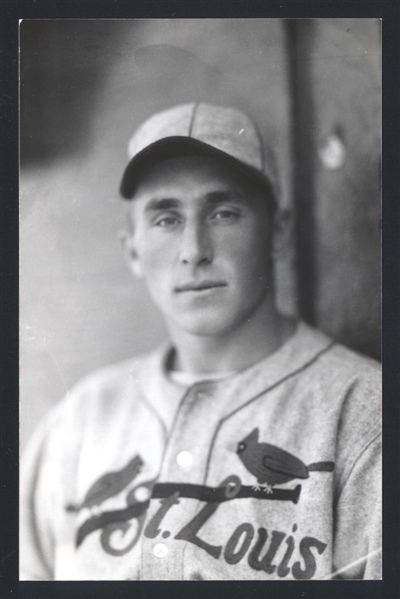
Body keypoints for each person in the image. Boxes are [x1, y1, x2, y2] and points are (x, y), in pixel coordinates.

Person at [20, 102, 382, 581]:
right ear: (132, 250)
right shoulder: (78, 422)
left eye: (224, 212)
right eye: (166, 219)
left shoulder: (365, 413)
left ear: (277, 232)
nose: (194, 251)